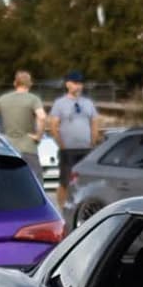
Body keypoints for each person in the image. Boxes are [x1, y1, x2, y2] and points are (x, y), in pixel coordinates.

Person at [48, 72, 101, 210]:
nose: (78, 86)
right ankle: (61, 209)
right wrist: (61, 144)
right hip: (68, 150)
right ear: (68, 84)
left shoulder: (88, 103)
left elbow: (94, 122)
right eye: (75, 83)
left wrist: (93, 141)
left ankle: (84, 209)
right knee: (65, 181)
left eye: (80, 83)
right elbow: (53, 125)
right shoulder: (60, 103)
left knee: (86, 182)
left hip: (86, 149)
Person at [0, 70, 46, 180]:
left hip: (8, 147)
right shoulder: (33, 99)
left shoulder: (4, 99)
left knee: (10, 180)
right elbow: (42, 117)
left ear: (15, 83)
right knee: (35, 180)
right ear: (30, 84)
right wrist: (38, 136)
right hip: (28, 147)